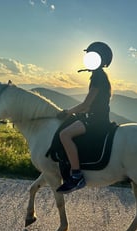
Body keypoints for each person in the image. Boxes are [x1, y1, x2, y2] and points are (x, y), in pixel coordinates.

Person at [56, 42, 113, 194]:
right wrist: (77, 112)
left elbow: (86, 103)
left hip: (96, 121)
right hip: (95, 117)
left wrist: (67, 112)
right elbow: (89, 105)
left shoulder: (98, 77)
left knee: (64, 134)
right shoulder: (99, 76)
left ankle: (77, 175)